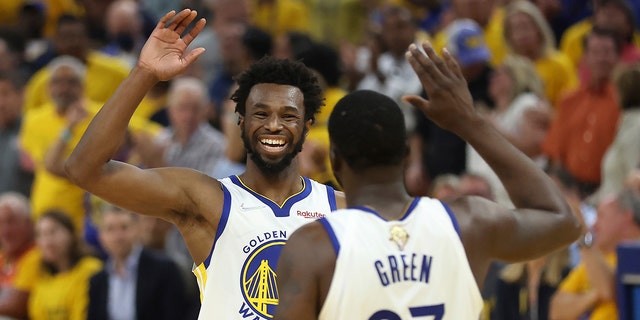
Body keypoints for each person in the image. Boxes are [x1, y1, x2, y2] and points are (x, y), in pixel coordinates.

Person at [64, 9, 345, 320]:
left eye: (288, 116)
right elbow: (84, 169)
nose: (274, 125)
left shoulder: (343, 210)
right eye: (261, 114)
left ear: (307, 126)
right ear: (241, 122)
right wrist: (144, 73)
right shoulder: (206, 199)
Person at [272, 43, 581, 319]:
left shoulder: (313, 247)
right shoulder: (469, 222)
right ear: (407, 154)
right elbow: (563, 219)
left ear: (336, 161)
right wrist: (470, 122)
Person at [550, 187, 640, 320]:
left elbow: (608, 289)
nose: (594, 224)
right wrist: (594, 295)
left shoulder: (635, 256)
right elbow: (556, 310)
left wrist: (583, 234)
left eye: (601, 215)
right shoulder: (594, 259)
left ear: (626, 217)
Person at [88, 204, 188, 320]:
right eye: (110, 229)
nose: (118, 236)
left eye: (124, 227)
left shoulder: (164, 270)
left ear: (138, 229)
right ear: (101, 237)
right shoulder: (97, 281)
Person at [13, 210, 102, 320]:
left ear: (71, 234)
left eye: (53, 232)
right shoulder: (41, 276)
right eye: (41, 234)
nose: (47, 241)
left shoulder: (91, 269)